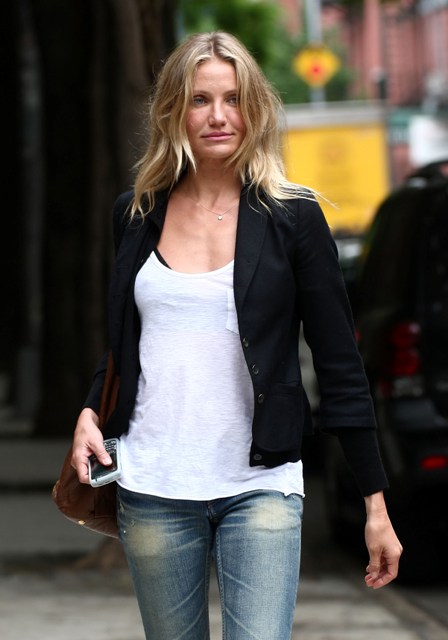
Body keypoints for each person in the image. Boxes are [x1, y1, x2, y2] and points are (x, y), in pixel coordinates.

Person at [71, 31, 402, 640]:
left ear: (255, 110)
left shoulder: (293, 218)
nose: (218, 116)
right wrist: (92, 410)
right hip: (154, 482)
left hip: (261, 485)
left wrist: (374, 504)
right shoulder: (136, 214)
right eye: (200, 100)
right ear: (175, 111)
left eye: (233, 99)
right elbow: (126, 341)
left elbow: (340, 366)